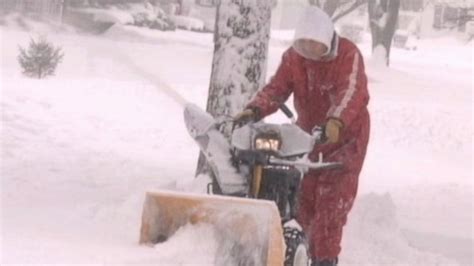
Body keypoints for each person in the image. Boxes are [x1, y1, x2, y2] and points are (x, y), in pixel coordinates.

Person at [234, 6, 370, 266]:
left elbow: (352, 91)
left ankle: (324, 260)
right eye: (303, 42)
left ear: (326, 40)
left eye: (313, 43)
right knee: (304, 203)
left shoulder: (347, 55)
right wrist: (254, 110)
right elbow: (276, 89)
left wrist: (336, 121)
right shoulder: (294, 59)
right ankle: (299, 254)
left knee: (331, 206)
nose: (307, 48)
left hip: (346, 141)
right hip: (310, 137)